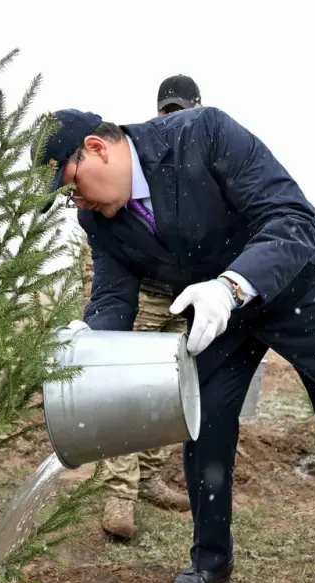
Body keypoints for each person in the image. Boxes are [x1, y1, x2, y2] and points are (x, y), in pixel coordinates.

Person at [37, 106, 315, 583]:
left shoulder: (202, 135)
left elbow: (294, 221)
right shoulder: (100, 219)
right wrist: (89, 340)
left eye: (73, 186)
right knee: (205, 430)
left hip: (308, 294)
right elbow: (113, 295)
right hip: (228, 320)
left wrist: (232, 285)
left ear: (98, 149)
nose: (77, 203)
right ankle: (211, 559)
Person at [82, 76, 204, 540]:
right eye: (166, 112)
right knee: (128, 392)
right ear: (157, 114)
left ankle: (151, 477)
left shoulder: (201, 162)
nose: (172, 120)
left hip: (188, 299)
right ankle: (120, 493)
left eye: (182, 111)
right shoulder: (139, 163)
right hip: (144, 299)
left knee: (171, 393)